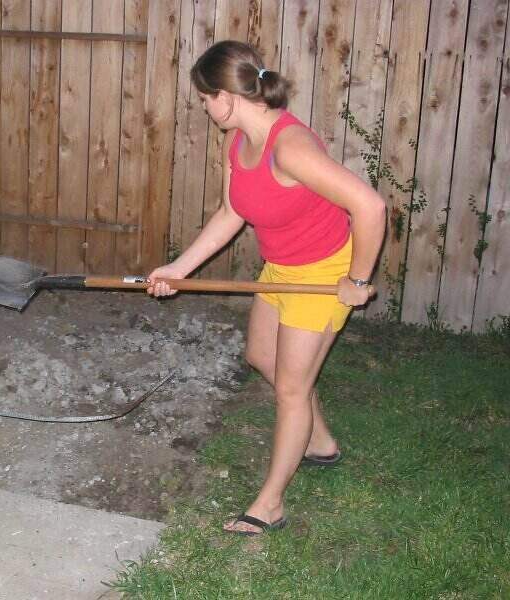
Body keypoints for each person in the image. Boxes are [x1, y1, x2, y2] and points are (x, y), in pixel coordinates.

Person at [147, 41, 386, 536]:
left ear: (226, 98)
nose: (203, 107)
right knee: (262, 357)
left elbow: (371, 208)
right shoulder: (240, 142)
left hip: (322, 272)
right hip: (281, 267)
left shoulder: (289, 146)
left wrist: (357, 281)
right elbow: (233, 211)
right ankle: (319, 442)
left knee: (292, 388)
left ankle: (270, 504)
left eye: (204, 98)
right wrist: (180, 269)